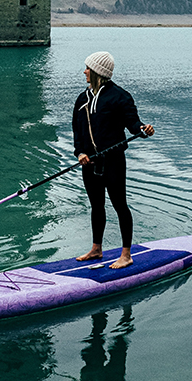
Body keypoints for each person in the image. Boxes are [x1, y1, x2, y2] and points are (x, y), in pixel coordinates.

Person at [72, 51, 154, 269]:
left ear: (98, 72)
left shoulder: (120, 97)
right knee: (96, 206)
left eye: (88, 68)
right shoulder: (82, 99)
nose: (84, 72)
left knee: (120, 206)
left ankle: (126, 254)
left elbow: (133, 124)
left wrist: (143, 130)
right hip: (89, 163)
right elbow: (77, 133)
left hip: (113, 162)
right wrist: (80, 153)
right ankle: (96, 249)